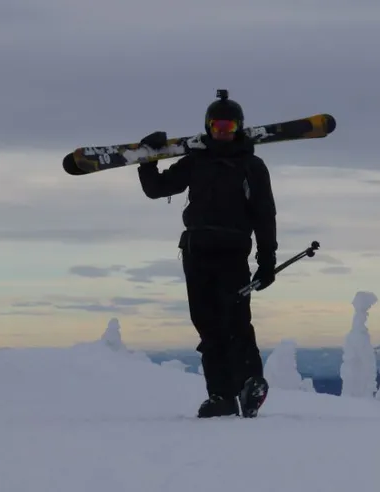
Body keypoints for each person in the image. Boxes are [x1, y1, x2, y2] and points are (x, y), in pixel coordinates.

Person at [136, 90, 277, 418]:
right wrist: (148, 157)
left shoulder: (252, 167)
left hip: (232, 254)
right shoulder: (195, 163)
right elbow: (156, 189)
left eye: (229, 126)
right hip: (196, 253)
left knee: (237, 322)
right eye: (217, 126)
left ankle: (250, 384)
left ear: (239, 128)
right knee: (207, 325)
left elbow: (264, 215)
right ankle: (220, 396)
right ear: (209, 127)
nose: (223, 132)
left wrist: (267, 261)